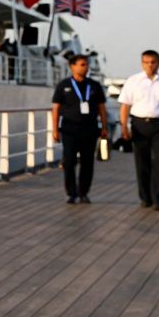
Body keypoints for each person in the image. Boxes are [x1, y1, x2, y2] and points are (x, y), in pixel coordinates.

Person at [119, 50, 159, 211]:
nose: (150, 65)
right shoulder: (133, 81)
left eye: (153, 62)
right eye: (146, 62)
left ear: (158, 63)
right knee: (142, 162)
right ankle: (145, 198)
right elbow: (125, 105)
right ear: (142, 63)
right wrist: (124, 127)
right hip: (139, 125)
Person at [51, 54, 109, 204]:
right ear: (73, 66)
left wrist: (104, 127)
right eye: (82, 64)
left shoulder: (94, 85)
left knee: (87, 162)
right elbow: (56, 108)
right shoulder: (63, 85)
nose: (86, 67)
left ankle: (84, 192)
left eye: (86, 64)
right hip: (70, 129)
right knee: (69, 161)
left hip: (89, 129)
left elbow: (102, 108)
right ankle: (71, 192)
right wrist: (55, 130)